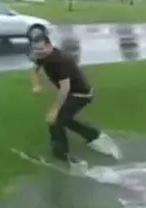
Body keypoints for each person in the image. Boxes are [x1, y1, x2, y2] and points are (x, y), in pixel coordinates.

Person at [30, 34, 121, 165]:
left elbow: (65, 89)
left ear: (49, 46)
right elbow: (34, 68)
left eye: (41, 49)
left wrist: (54, 110)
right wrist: (36, 84)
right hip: (72, 93)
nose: (38, 53)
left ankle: (61, 153)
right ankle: (93, 135)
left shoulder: (59, 61)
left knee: (55, 120)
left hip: (80, 95)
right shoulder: (43, 56)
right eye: (36, 50)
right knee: (64, 119)